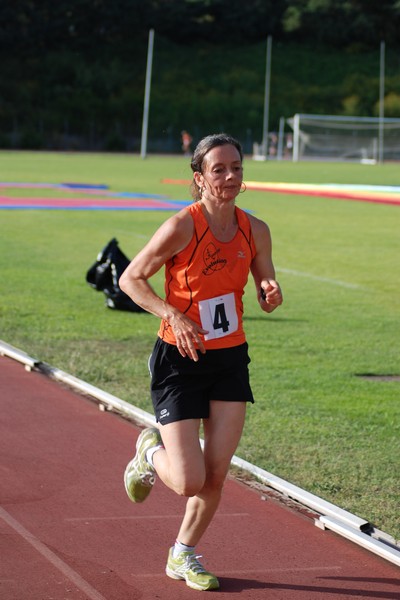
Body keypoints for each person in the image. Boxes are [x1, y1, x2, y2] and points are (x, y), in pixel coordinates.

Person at [119, 133, 283, 592]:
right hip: (180, 357)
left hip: (230, 358)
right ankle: (149, 450)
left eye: (236, 168)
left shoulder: (256, 229)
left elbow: (265, 280)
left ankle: (183, 554)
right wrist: (172, 313)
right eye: (219, 170)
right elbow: (130, 278)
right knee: (189, 479)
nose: (230, 177)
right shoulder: (181, 226)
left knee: (215, 472)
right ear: (199, 177)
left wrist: (270, 291)